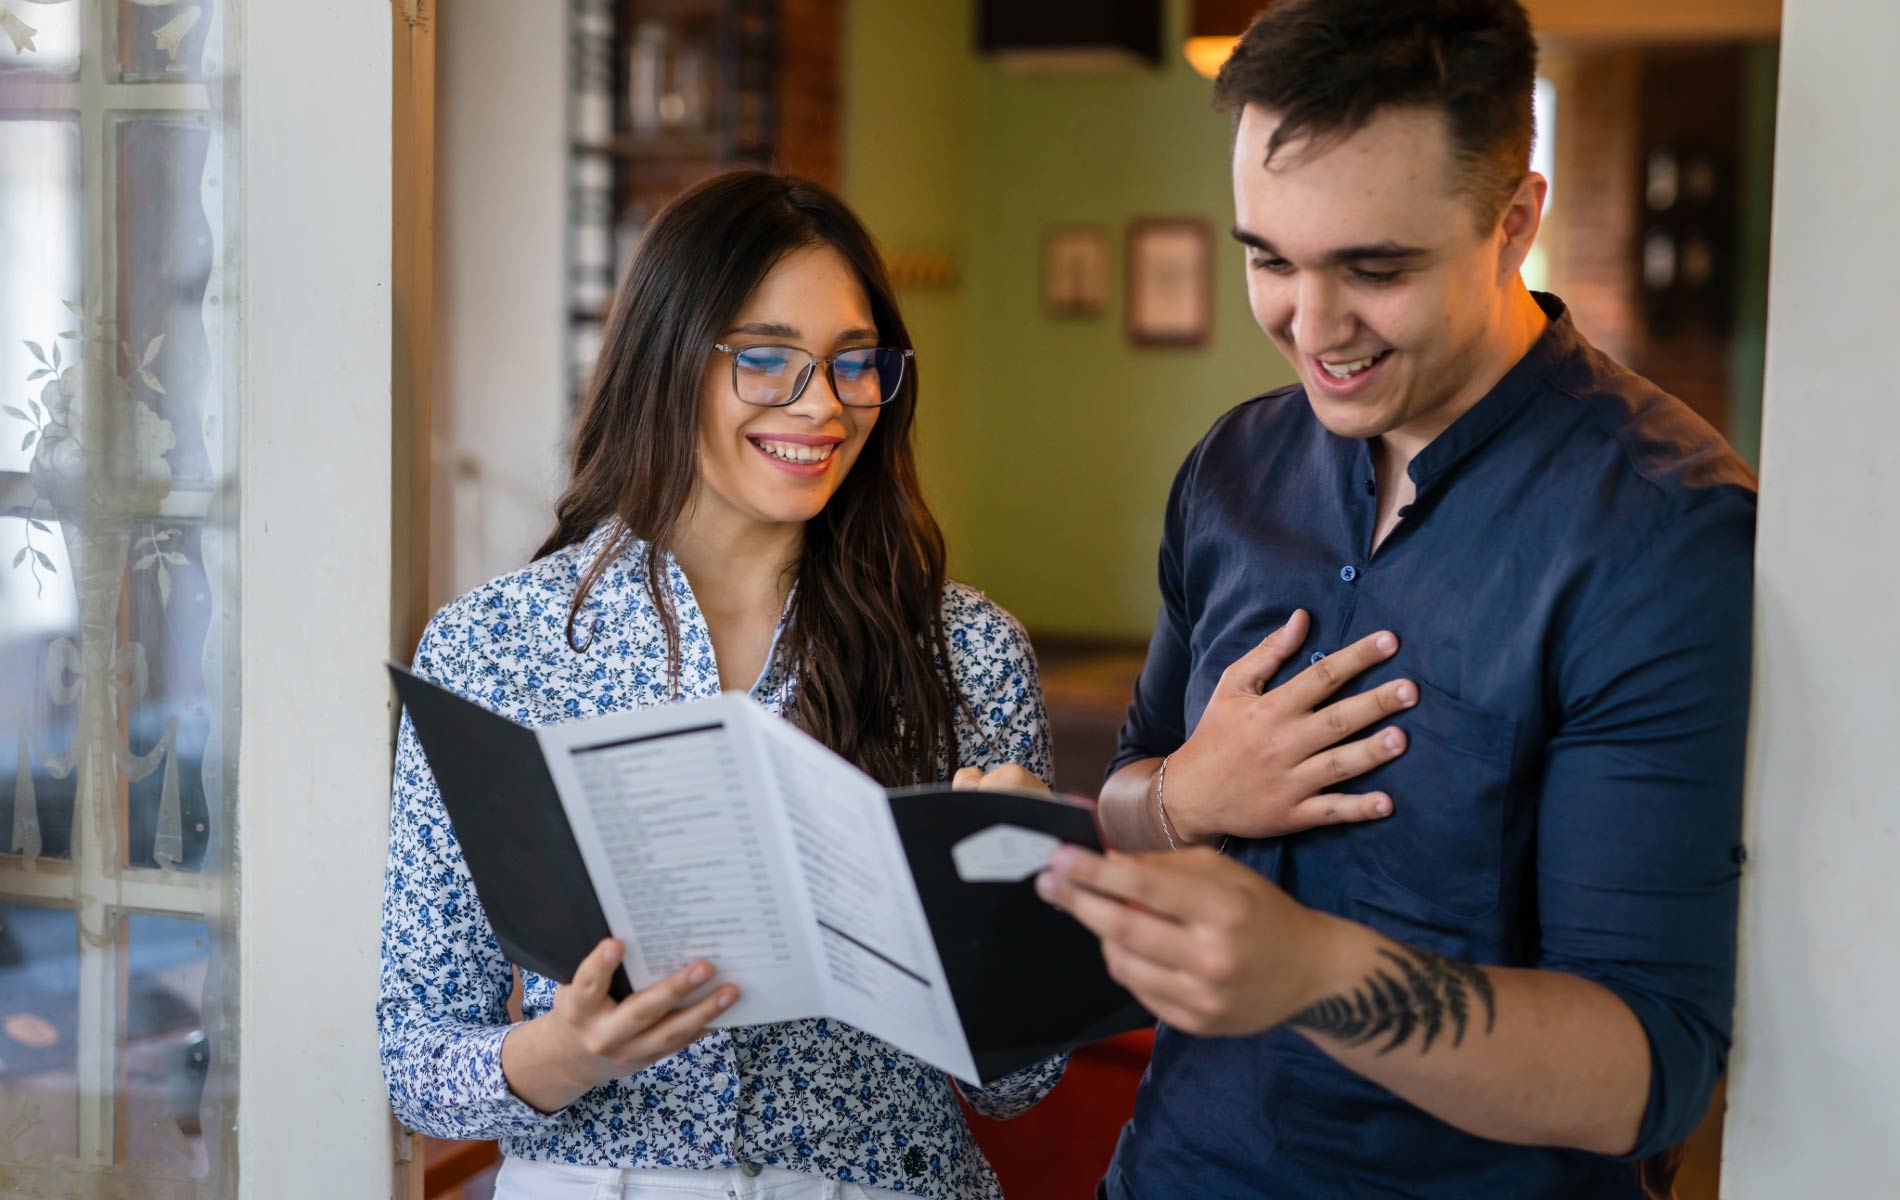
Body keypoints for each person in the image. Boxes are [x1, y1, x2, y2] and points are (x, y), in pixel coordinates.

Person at [971, 2, 1757, 1195]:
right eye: (1269, 259)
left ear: (1514, 221)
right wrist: (1176, 801)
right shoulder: (1231, 471)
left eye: (1374, 269)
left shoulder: (1662, 531)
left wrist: (1313, 974)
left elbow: (1651, 1069)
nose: (1313, 326)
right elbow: (1136, 791)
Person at [379, 169, 1063, 1200]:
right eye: (766, 359)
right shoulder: (493, 645)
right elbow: (417, 1061)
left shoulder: (967, 651)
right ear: (668, 362)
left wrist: (1019, 913)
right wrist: (570, 1052)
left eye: (854, 364)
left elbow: (1019, 1091)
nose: (822, 405)